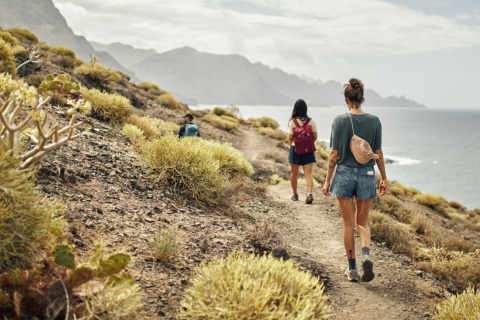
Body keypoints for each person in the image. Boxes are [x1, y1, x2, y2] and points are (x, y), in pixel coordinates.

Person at [321, 78, 388, 282]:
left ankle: (352, 270)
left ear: (346, 99)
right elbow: (378, 153)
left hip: (344, 174)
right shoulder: (375, 121)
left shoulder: (339, 121)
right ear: (362, 98)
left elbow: (333, 155)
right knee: (363, 222)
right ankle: (366, 254)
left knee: (348, 224)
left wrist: (326, 181)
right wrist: (384, 178)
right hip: (367, 174)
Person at [288, 99, 318, 204]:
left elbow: (290, 138)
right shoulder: (312, 121)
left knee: (294, 173)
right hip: (308, 150)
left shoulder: (292, 122)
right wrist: (307, 144)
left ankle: (295, 195)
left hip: (295, 149)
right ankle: (309, 193)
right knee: (308, 174)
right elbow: (315, 137)